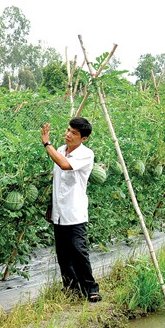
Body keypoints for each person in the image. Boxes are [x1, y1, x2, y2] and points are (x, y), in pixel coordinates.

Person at [40, 117, 101, 302]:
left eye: (74, 133)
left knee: (78, 251)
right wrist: (51, 206)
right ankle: (71, 289)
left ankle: (91, 289)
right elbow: (57, 180)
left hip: (75, 212)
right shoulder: (60, 150)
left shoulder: (86, 154)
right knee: (63, 254)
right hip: (59, 212)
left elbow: (65, 165)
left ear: (83, 138)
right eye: (68, 130)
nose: (68, 135)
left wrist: (46, 143)